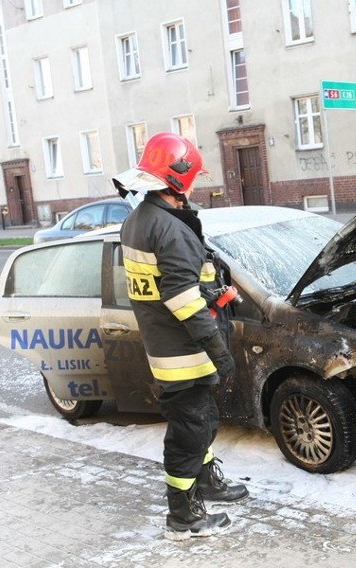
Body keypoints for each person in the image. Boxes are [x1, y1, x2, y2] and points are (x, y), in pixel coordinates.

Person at [112, 132, 248, 541]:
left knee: (200, 423)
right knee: (190, 430)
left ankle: (206, 482)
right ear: (178, 178)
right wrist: (219, 352)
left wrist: (215, 292)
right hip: (184, 352)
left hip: (169, 346)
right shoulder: (168, 229)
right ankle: (183, 517)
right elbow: (182, 299)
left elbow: (167, 286)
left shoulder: (141, 220)